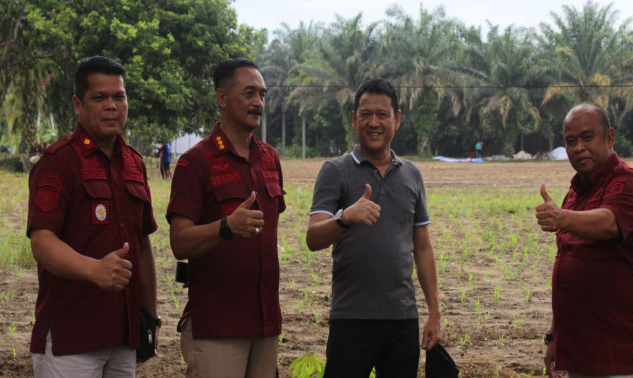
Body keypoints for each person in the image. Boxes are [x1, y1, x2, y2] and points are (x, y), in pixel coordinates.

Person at [26, 56, 159, 377]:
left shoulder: (134, 163)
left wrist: (150, 319)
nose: (111, 106)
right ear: (77, 104)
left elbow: (142, 244)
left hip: (123, 336)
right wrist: (93, 269)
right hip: (71, 339)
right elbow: (42, 242)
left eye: (119, 97)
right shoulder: (58, 162)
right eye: (100, 98)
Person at [306, 78, 441, 378]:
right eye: (365, 114)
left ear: (397, 119)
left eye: (382, 114)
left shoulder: (412, 175)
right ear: (354, 120)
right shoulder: (335, 171)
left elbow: (422, 247)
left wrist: (434, 312)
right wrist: (345, 217)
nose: (374, 122)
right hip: (351, 318)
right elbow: (313, 238)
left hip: (402, 319)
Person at [166, 57, 285, 378]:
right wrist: (226, 227)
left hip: (264, 322)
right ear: (222, 97)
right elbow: (179, 242)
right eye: (249, 93)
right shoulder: (196, 162)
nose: (258, 102)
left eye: (262, 94)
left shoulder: (270, 158)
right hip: (218, 324)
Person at [535, 103, 633, 378]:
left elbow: (610, 222)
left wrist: (562, 217)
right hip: (578, 350)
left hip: (619, 353)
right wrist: (554, 336)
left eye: (587, 137)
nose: (578, 147)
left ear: (609, 138)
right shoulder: (575, 192)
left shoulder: (628, 182)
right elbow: (566, 264)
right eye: (570, 141)